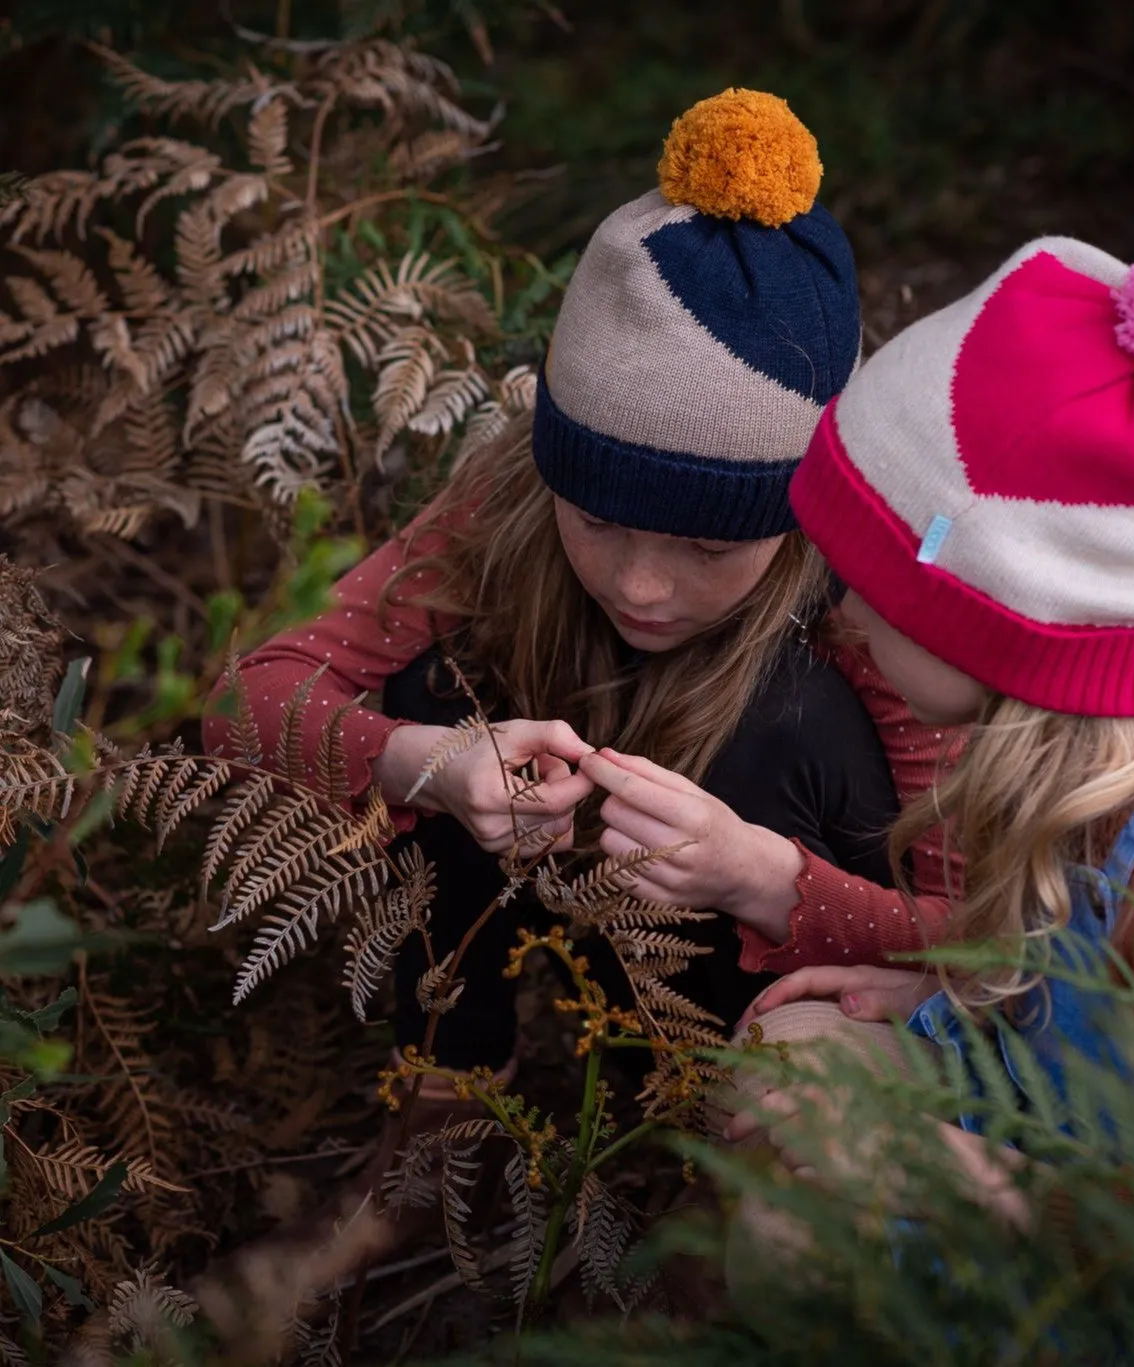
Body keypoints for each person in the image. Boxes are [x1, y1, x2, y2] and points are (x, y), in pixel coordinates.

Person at [198, 88, 905, 1296]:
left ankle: (709, 1144)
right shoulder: (504, 511)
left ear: (796, 524)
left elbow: (993, 927)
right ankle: (445, 1113)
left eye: (706, 549)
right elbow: (248, 700)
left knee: (791, 725)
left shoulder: (872, 595)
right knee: (431, 690)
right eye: (601, 520)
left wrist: (762, 877)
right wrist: (428, 761)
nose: (641, 583)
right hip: (529, 873)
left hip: (769, 957)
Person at [598, 236, 1134, 1331]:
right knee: (788, 1062)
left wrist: (985, 1190)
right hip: (1059, 1146)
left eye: (870, 585)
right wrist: (948, 995)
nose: (845, 615)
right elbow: (1086, 1002)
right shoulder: (1074, 786)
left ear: (991, 617)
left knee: (792, 1225)